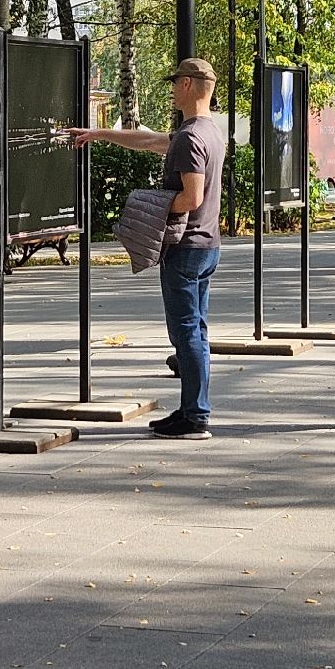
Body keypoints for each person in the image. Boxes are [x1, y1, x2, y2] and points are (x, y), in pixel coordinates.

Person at [70, 58, 225, 440]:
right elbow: (153, 141)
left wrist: (150, 203)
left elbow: (191, 198)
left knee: (187, 333)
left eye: (175, 82)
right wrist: (99, 134)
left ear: (188, 84)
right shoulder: (207, 131)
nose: (172, 88)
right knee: (196, 331)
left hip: (186, 248)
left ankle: (195, 417)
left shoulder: (190, 137)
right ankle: (192, 410)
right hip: (206, 246)